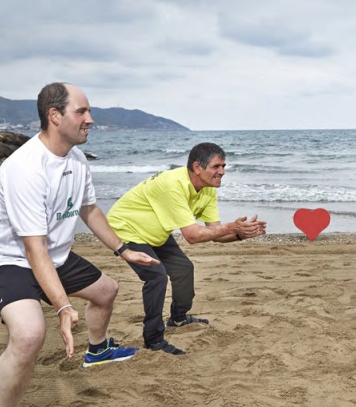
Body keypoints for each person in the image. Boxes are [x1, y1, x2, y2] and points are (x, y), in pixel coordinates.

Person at [0, 82, 160, 407]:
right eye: (82, 112)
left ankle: (97, 351)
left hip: (55, 256)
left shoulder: (77, 160)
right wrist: (62, 307)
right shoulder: (24, 169)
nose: (90, 119)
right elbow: (33, 249)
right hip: (11, 260)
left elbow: (90, 211)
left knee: (107, 290)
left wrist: (124, 250)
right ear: (55, 116)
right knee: (29, 336)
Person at [106, 142, 267, 355]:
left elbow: (214, 233)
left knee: (184, 269)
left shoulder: (208, 189)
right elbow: (192, 236)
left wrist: (240, 234)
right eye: (216, 167)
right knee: (156, 277)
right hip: (125, 229)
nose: (222, 172)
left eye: (224, 166)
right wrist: (231, 227)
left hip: (156, 232)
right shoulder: (173, 184)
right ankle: (153, 340)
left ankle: (179, 318)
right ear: (197, 167)